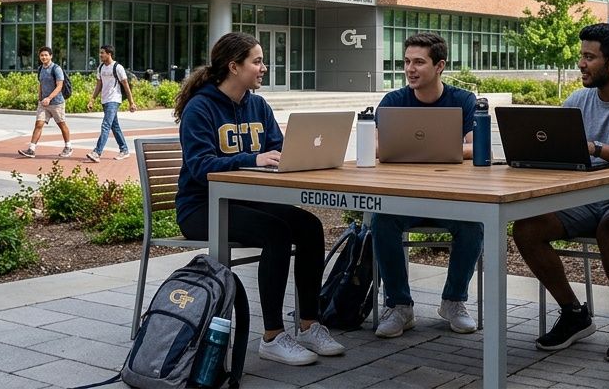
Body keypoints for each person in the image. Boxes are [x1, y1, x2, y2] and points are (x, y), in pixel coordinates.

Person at [174, 32, 345, 366]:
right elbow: (199, 167)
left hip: (245, 200)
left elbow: (278, 149)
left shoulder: (257, 105)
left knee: (309, 225)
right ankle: (273, 336)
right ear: (234, 66)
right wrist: (252, 158)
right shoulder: (201, 108)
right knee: (276, 232)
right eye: (257, 61)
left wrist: (294, 157)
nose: (263, 67)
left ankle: (309, 325)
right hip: (201, 207)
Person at [513, 23, 609, 362]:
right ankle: (573, 313)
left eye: (589, 57)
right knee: (526, 228)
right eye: (581, 55)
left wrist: (597, 147)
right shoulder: (578, 100)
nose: (581, 64)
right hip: (586, 200)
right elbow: (555, 146)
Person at [371, 32, 482, 338]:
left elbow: (478, 147)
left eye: (419, 62)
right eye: (406, 62)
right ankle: (399, 306)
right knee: (382, 222)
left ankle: (453, 302)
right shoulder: (393, 101)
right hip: (404, 198)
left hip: (449, 197)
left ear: (440, 65)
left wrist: (418, 149)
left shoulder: (462, 100)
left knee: (473, 225)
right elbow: (376, 147)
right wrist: (443, 148)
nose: (410, 69)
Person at [17, 47, 73, 158]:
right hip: (43, 103)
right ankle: (31, 149)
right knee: (39, 124)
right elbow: (41, 84)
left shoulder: (56, 69)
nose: (44, 57)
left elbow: (59, 86)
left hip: (57, 102)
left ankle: (68, 146)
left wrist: (49, 98)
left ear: (51, 56)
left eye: (46, 55)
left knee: (61, 124)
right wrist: (40, 98)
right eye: (42, 55)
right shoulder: (40, 69)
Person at [85, 45, 135, 162]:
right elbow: (99, 85)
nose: (100, 55)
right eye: (100, 53)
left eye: (102, 53)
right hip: (105, 100)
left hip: (114, 99)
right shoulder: (101, 67)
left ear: (109, 54)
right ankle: (124, 149)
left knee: (105, 125)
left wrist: (131, 102)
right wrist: (92, 99)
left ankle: (97, 152)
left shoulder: (118, 67)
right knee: (114, 126)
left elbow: (126, 86)